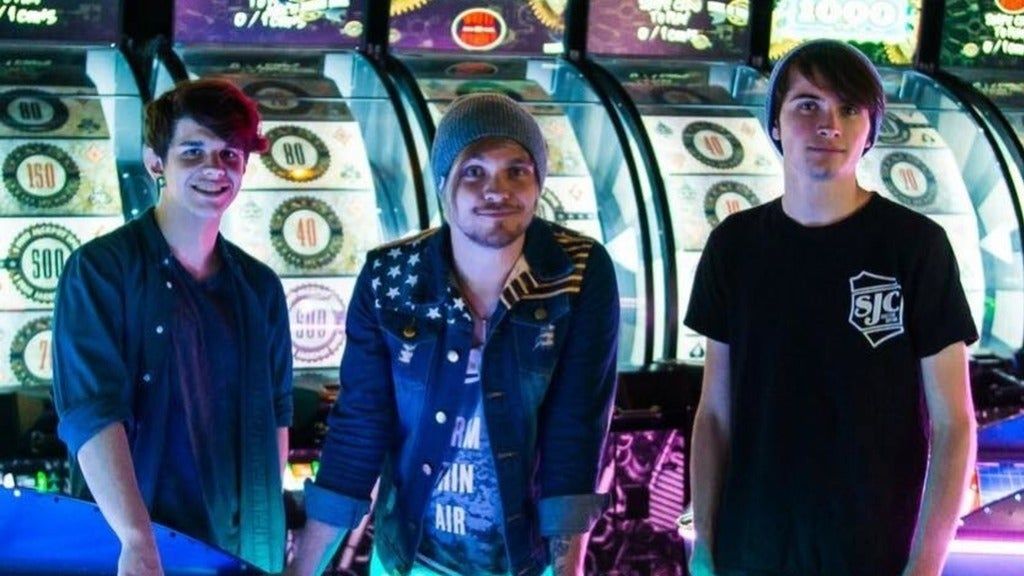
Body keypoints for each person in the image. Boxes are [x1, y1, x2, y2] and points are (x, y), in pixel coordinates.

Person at [287, 93, 619, 576]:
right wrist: (303, 569)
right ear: (444, 184)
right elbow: (360, 427)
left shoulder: (578, 271)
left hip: (526, 558)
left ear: (539, 182)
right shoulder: (389, 276)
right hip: (412, 557)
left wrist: (568, 569)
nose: (496, 190)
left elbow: (576, 431)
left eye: (517, 170)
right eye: (474, 171)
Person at [686, 40, 978, 576]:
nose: (829, 125)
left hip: (876, 554)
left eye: (849, 108)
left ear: (871, 129)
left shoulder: (916, 246)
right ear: (775, 123)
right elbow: (715, 416)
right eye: (808, 105)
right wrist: (705, 539)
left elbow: (954, 423)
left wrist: (926, 563)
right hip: (750, 551)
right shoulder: (734, 245)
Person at [52, 79, 292, 575]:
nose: (214, 167)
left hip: (235, 550)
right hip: (136, 548)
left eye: (230, 154)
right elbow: (92, 415)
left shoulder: (260, 286)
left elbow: (276, 419)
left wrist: (270, 538)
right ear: (155, 162)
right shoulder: (98, 270)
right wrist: (135, 538)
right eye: (193, 151)